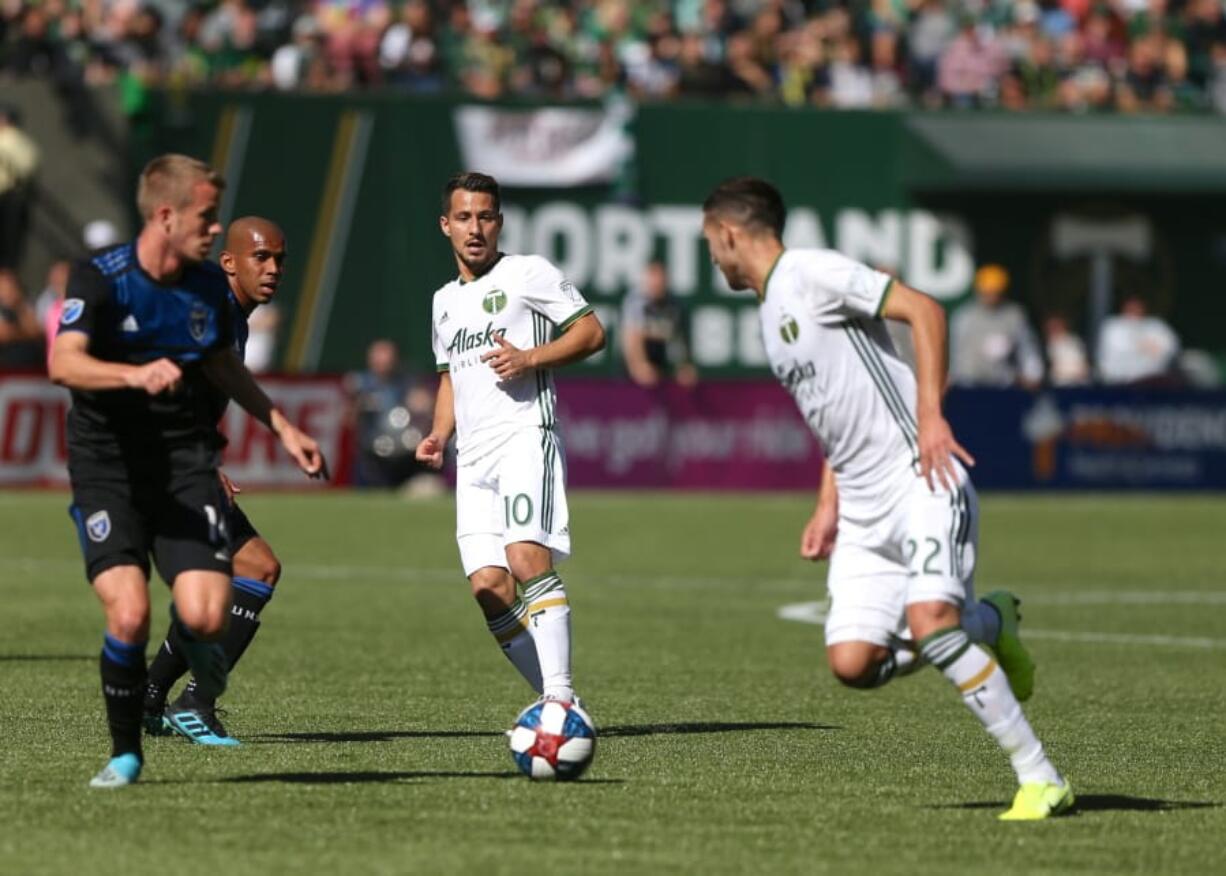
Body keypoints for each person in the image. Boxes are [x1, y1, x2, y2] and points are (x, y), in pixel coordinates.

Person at [700, 177, 1072, 821]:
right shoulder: (769, 312)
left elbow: (926, 310)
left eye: (711, 242)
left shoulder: (812, 272)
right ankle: (990, 622)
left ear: (730, 233)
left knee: (930, 626)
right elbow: (835, 417)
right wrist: (828, 502)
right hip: (864, 513)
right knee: (854, 664)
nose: (712, 256)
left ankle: (1040, 776)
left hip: (921, 480)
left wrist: (930, 416)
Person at [49, 156, 327, 788]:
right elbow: (65, 362)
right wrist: (135, 377)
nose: (212, 228)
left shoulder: (204, 292)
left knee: (214, 604)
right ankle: (169, 717)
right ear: (167, 215)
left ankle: (164, 698)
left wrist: (280, 425)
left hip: (182, 463)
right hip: (113, 467)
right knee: (151, 605)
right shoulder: (102, 278)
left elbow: (218, 367)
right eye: (206, 218)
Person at [416, 172, 605, 706]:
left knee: (526, 559)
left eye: (485, 217)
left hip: (525, 436)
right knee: (489, 590)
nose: (474, 228)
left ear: (499, 223)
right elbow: (450, 375)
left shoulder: (529, 273)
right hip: (472, 459)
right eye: (464, 218)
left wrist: (530, 358)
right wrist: (438, 433)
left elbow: (592, 333)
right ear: (445, 225)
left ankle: (561, 702)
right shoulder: (443, 302)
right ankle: (557, 698)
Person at [142, 216, 291, 746]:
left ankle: (154, 696)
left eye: (278, 259)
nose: (273, 268)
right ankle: (196, 702)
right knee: (258, 568)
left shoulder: (235, 316)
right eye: (260, 258)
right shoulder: (211, 312)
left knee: (211, 591)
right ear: (228, 262)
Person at [949, 264, 1044, 389]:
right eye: (987, 292)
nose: (991, 297)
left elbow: (1027, 347)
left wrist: (1033, 374)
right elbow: (953, 350)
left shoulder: (1014, 315)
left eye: (995, 292)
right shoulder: (965, 316)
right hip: (968, 383)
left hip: (1004, 384)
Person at [620, 259, 698, 388]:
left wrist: (684, 367)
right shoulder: (635, 301)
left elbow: (680, 341)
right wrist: (639, 367)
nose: (657, 282)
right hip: (630, 375)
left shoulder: (674, 305)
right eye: (653, 276)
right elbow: (631, 339)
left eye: (660, 276)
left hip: (660, 368)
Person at [1095, 292, 1180, 385]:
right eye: (1131, 306)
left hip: (1153, 380)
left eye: (1138, 306)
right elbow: (1119, 350)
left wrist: (1148, 346)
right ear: (1124, 307)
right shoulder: (1113, 326)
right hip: (1119, 382)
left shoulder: (1156, 325)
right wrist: (1144, 345)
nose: (1134, 309)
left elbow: (1171, 347)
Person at [0, 267, 43, 368]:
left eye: (11, 286)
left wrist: (19, 306)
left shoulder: (26, 305)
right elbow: (3, 334)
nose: (7, 291)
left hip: (29, 368)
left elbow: (36, 332)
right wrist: (22, 333)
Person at [1042, 313, 1090, 387]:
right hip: (1061, 384)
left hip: (1080, 382)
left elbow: (1083, 364)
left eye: (1056, 326)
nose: (1054, 329)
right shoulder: (1049, 346)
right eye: (1051, 327)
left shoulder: (1074, 341)